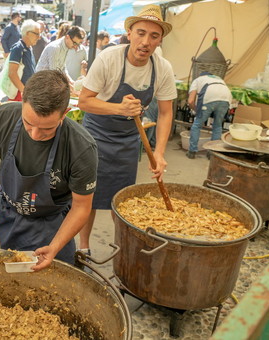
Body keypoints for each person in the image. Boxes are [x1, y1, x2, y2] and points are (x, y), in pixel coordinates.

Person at [0, 70, 98, 270]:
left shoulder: (81, 147)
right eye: (28, 124)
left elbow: (81, 207)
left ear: (64, 114)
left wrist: (54, 247)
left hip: (49, 225)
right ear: (23, 103)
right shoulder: (2, 117)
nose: (35, 135)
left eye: (47, 129)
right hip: (3, 214)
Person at [77, 4, 177, 256]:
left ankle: (122, 249)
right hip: (96, 135)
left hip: (128, 140)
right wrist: (118, 109)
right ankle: (84, 247)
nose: (146, 41)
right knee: (88, 196)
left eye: (154, 36)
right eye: (141, 33)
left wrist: (161, 152)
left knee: (121, 198)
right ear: (130, 32)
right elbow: (85, 102)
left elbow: (166, 113)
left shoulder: (162, 68)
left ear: (160, 40)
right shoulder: (108, 59)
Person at [186, 71, 232, 159]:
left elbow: (190, 101)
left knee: (197, 125)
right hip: (226, 98)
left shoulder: (197, 80)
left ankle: (192, 151)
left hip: (209, 97)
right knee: (217, 126)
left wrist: (196, 110)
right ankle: (212, 154)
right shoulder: (219, 79)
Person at [7, 19, 40, 102]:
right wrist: (24, 91)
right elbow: (12, 73)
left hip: (26, 93)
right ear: (28, 33)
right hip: (19, 94)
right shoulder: (18, 48)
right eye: (37, 34)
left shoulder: (29, 48)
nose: (39, 37)